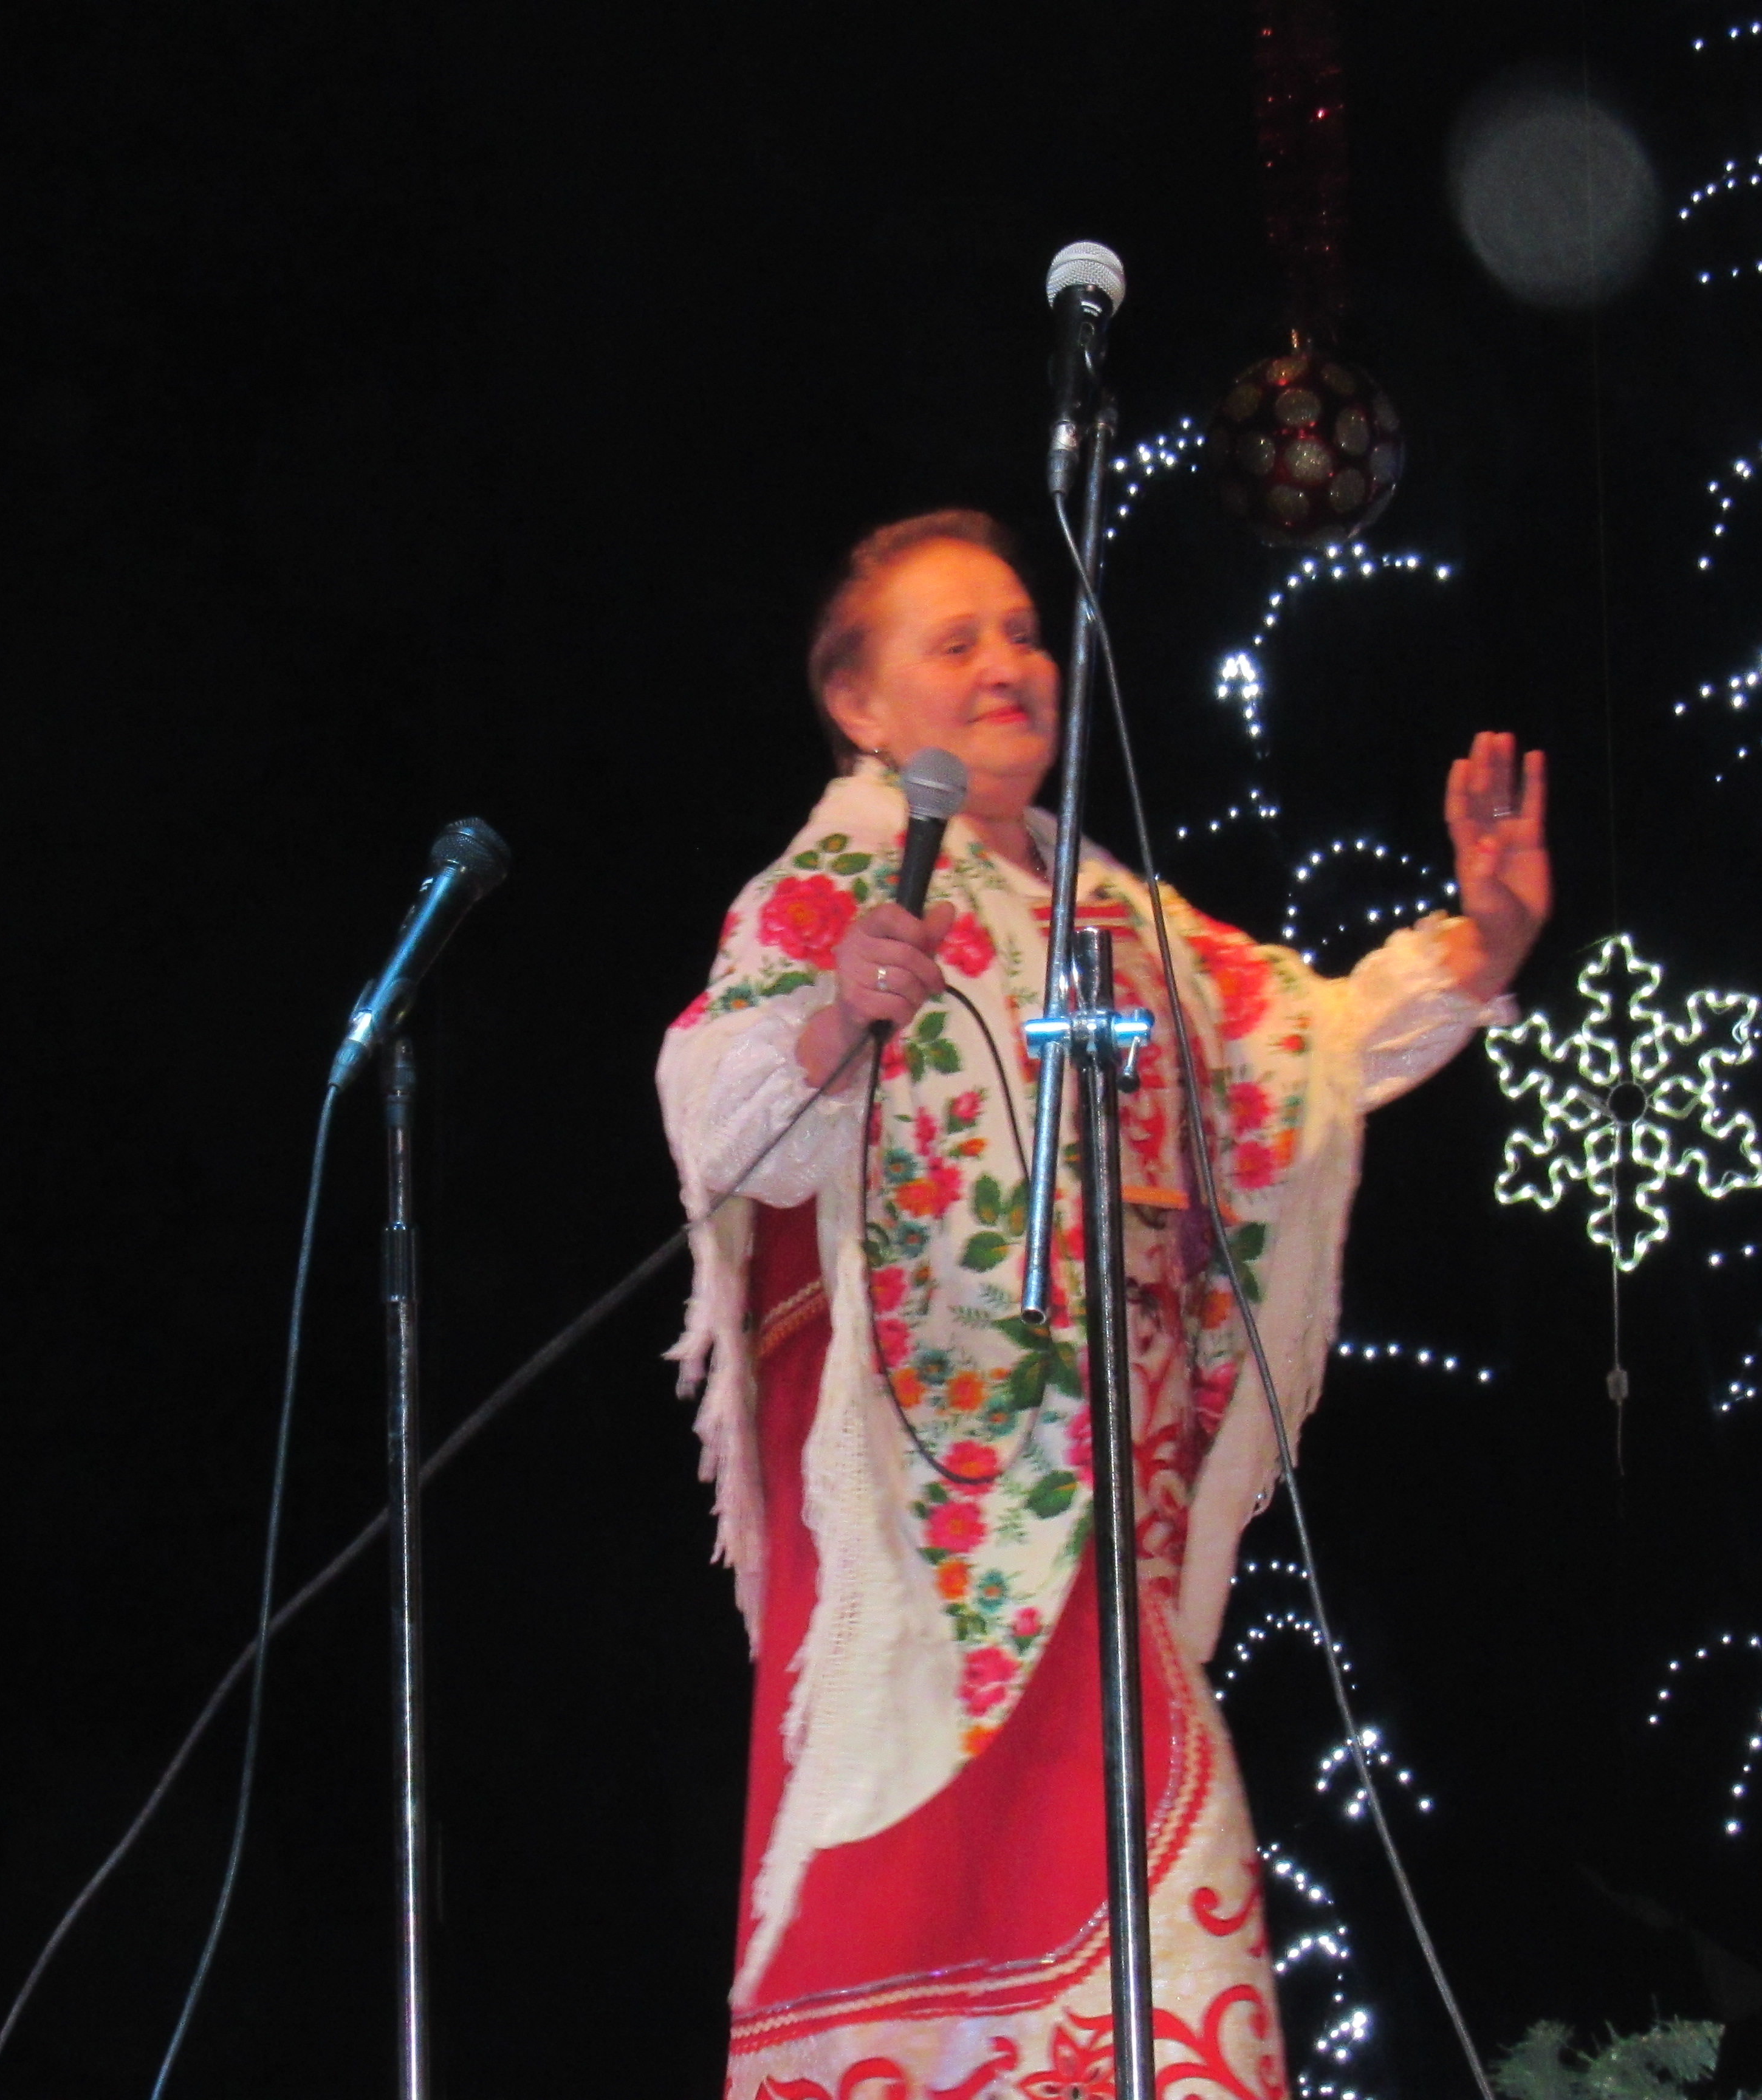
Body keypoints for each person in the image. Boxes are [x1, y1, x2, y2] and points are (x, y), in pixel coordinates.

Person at [656, 512, 1548, 2100]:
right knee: (1024, 1916)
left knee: (1162, 1943)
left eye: (1021, 630)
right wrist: (831, 1024)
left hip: (1105, 1549)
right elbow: (726, 1126)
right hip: (938, 1558)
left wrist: (1481, 948)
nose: (1010, 664)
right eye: (956, 643)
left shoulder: (1122, 923)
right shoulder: (839, 887)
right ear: (859, 705)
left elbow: (1300, 1050)